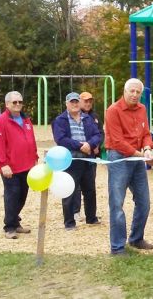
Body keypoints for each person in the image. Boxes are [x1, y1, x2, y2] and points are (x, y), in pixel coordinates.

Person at [105, 78, 153, 256]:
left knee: (144, 202)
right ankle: (117, 247)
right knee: (117, 204)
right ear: (124, 91)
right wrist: (140, 155)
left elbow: (145, 134)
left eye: (138, 92)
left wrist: (148, 147)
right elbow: (118, 141)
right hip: (119, 158)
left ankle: (136, 238)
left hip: (137, 157)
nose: (134, 95)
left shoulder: (142, 109)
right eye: (131, 91)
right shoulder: (113, 111)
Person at [52, 92, 102, 230]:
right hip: (71, 159)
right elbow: (61, 139)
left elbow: (97, 134)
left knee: (90, 190)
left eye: (76, 102)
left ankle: (91, 218)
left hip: (88, 159)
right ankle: (69, 223)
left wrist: (89, 145)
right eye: (71, 102)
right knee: (69, 191)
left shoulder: (87, 118)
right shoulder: (60, 120)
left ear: (79, 103)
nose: (74, 104)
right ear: (66, 104)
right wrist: (81, 146)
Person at [0, 91, 38, 239]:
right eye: (14, 102)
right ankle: (9, 227)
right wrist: (2, 163)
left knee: (22, 196)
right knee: (12, 196)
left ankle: (15, 222)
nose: (18, 104)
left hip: (27, 165)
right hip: (10, 168)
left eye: (20, 102)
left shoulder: (26, 120)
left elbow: (31, 140)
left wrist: (35, 157)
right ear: (7, 104)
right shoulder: (1, 121)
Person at [72, 91, 105, 222]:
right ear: (79, 102)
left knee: (90, 185)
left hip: (91, 156)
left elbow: (100, 133)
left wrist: (96, 145)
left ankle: (91, 214)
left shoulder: (95, 117)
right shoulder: (72, 116)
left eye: (90, 101)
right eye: (85, 101)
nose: (88, 103)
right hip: (77, 155)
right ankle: (75, 211)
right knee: (76, 185)